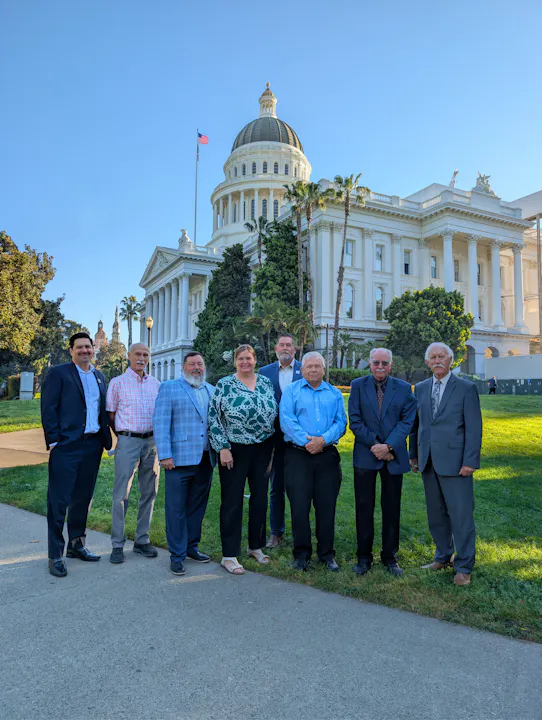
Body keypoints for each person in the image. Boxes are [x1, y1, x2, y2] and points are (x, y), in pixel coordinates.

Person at [409, 342, 482, 587]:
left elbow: (474, 428)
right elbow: (415, 426)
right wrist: (413, 455)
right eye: (433, 357)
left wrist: (470, 461)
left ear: (451, 360)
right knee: (436, 514)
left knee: (461, 516)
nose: (437, 360)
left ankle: (463, 566)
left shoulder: (465, 388)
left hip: (457, 463)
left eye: (442, 356)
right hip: (428, 461)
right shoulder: (419, 388)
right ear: (427, 362)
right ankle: (442, 556)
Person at [41, 332, 112, 577]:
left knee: (83, 498)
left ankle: (76, 545)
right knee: (59, 501)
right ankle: (54, 555)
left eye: (88, 347)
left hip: (92, 447)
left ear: (93, 349)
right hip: (66, 447)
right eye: (79, 347)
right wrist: (53, 441)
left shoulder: (99, 377)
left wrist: (107, 441)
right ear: (71, 350)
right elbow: (48, 408)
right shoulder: (59, 373)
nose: (84, 351)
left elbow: (102, 411)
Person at [209, 345, 278, 575]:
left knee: (260, 498)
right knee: (232, 500)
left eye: (249, 358)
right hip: (234, 449)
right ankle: (229, 555)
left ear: (255, 360)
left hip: (263, 447)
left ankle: (255, 546)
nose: (245, 362)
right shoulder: (225, 385)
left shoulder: (266, 383)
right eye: (241, 358)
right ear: (235, 361)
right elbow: (214, 418)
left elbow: (275, 412)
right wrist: (223, 448)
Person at [348, 348, 417, 577]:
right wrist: (377, 447)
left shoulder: (404, 389)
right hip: (366, 456)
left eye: (384, 363)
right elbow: (355, 422)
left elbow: (407, 422)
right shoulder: (357, 385)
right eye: (376, 362)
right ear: (370, 363)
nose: (380, 366)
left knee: (391, 508)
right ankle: (364, 557)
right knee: (364, 508)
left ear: (391, 364)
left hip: (393, 456)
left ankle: (390, 557)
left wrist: (388, 447)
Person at [279, 352, 347, 572]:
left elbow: (341, 422)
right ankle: (301, 554)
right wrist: (307, 442)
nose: (314, 370)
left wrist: (323, 440)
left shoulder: (334, 393)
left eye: (318, 366)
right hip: (297, 455)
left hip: (327, 456)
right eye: (309, 366)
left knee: (326, 507)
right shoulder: (291, 391)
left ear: (324, 369)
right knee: (299, 507)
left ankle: (327, 554)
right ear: (302, 369)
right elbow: (286, 420)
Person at [153, 352, 216, 576]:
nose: (196, 367)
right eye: (192, 364)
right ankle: (177, 555)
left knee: (197, 508)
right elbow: (160, 423)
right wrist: (165, 455)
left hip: (205, 459)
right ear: (183, 367)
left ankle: (191, 548)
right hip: (178, 460)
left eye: (200, 363)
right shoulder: (169, 387)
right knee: (176, 509)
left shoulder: (211, 390)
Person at [106, 343, 161, 564]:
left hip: (152, 442)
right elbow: (110, 414)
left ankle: (141, 540)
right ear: (129, 356)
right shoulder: (117, 383)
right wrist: (123, 436)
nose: (141, 358)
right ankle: (117, 544)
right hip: (127, 441)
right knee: (121, 494)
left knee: (150, 492)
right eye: (137, 354)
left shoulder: (156, 384)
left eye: (145, 354)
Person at [259, 333, 302, 548]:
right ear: (276, 348)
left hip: (298, 439)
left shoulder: (306, 370)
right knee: (275, 486)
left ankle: (299, 532)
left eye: (289, 345)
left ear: (295, 349)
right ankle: (276, 532)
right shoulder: (264, 372)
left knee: (298, 487)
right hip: (272, 439)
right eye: (281, 344)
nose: (285, 348)